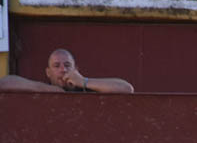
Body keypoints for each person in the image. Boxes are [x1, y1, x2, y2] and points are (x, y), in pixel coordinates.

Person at [0, 48, 134, 94]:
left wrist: (84, 82)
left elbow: (126, 88)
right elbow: (4, 83)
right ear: (48, 72)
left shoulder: (88, 90)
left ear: (76, 69)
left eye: (67, 65)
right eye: (56, 66)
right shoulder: (43, 89)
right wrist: (48, 90)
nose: (63, 70)